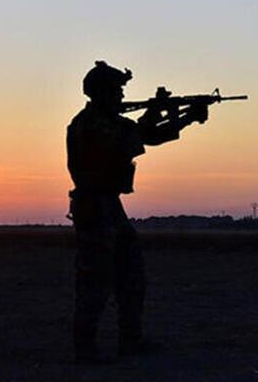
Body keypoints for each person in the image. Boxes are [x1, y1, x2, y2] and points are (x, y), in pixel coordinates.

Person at [66, 61, 209, 364]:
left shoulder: (109, 122)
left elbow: (146, 135)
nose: (120, 96)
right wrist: (164, 112)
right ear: (101, 92)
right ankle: (85, 347)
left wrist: (183, 117)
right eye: (116, 90)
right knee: (94, 279)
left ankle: (130, 339)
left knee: (131, 275)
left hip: (108, 206)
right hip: (94, 207)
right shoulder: (90, 124)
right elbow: (137, 136)